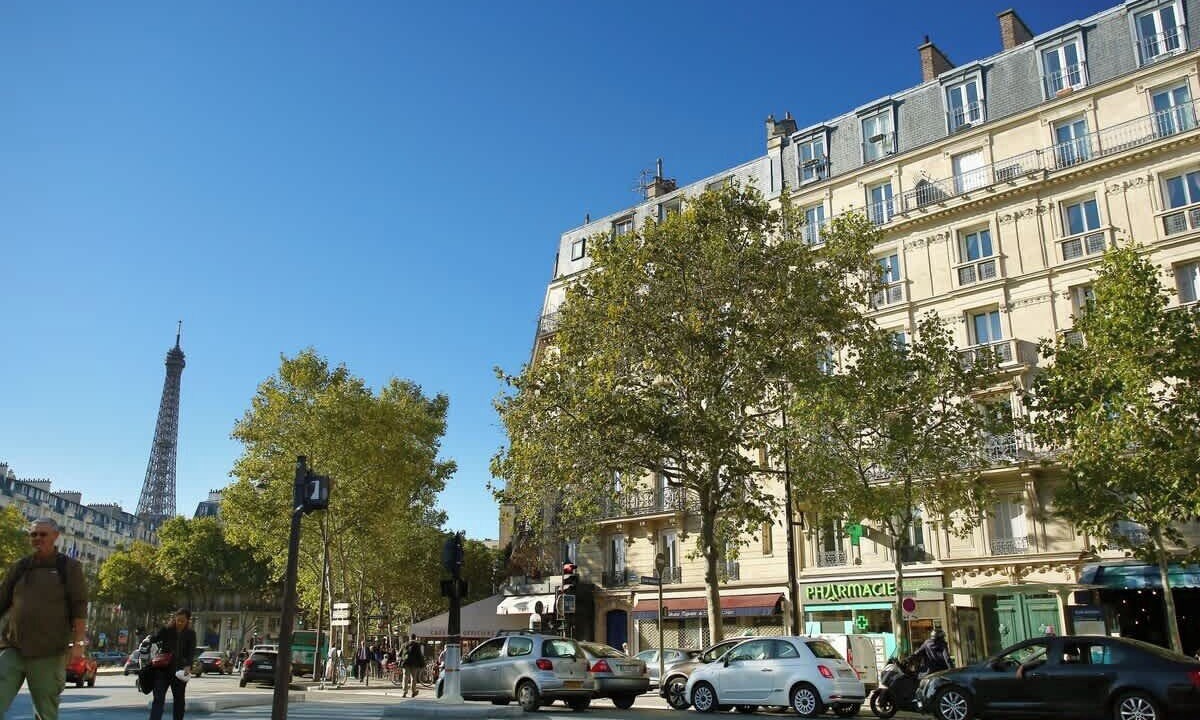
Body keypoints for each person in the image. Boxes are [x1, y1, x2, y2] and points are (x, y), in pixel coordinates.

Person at [0, 518, 88, 720]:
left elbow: (79, 607)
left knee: (45, 711)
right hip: (13, 647)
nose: (37, 538)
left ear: (56, 536)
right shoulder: (20, 567)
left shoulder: (69, 567)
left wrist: (78, 643)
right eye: (33, 534)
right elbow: (2, 600)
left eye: (43, 534)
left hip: (48, 652)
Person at [148, 609, 197, 720]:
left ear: (187, 621)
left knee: (179, 700)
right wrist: (149, 636)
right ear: (174, 618)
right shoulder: (166, 630)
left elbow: (191, 651)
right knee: (158, 699)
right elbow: (155, 639)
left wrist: (188, 665)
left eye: (182, 621)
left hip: (179, 672)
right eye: (177, 620)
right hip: (163, 670)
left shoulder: (191, 633)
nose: (179, 623)